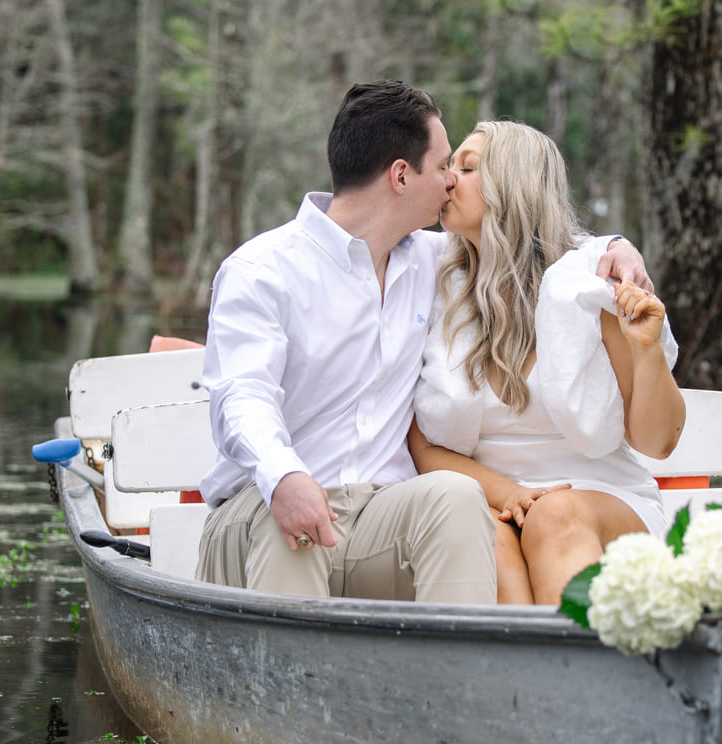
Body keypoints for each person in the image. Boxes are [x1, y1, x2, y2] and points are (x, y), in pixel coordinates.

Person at [194, 82, 650, 604]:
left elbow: (533, 243)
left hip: (378, 519)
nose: (452, 181)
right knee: (292, 526)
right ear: (401, 175)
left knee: (456, 498)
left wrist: (617, 249)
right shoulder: (262, 270)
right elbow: (241, 397)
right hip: (263, 506)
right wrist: (285, 475)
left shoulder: (432, 260)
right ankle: (292, 684)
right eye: (442, 168)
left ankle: (459, 678)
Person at [409, 121, 687, 605]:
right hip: (493, 500)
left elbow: (656, 442)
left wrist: (645, 351)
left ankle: (574, 669)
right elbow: (422, 445)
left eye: (467, 167)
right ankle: (530, 677)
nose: (448, 178)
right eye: (449, 165)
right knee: (476, 530)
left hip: (599, 501)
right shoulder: (430, 284)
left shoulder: (590, 287)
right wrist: (509, 496)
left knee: (555, 515)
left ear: (513, 186)